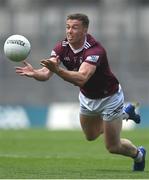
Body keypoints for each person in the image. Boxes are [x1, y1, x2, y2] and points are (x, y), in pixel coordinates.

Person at [15, 13, 146, 171]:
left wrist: (58, 70)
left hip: (109, 97)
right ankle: (124, 114)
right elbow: (46, 73)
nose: (69, 31)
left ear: (85, 30)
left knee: (112, 146)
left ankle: (138, 154)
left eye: (74, 27)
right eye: (67, 27)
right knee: (90, 136)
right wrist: (36, 73)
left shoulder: (95, 50)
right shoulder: (61, 48)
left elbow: (81, 78)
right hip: (87, 97)